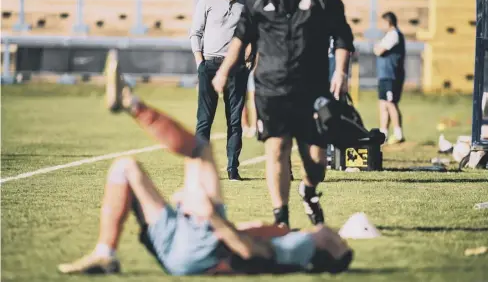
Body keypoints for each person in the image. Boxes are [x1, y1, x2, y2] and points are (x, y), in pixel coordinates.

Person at [57, 53, 354, 276]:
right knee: (125, 168)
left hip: (198, 247)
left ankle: (131, 103)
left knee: (200, 150)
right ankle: (105, 252)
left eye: (340, 243)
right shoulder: (295, 243)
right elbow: (253, 240)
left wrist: (211, 216)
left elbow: (250, 252)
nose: (336, 234)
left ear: (328, 250)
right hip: (183, 250)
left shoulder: (302, 250)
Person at [212, 0, 355, 227]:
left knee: (316, 159)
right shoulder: (260, 0)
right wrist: (223, 71)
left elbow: (343, 37)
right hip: (271, 89)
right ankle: (281, 218)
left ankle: (309, 190)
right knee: (277, 150)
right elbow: (241, 38)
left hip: (311, 90)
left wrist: (341, 71)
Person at [190, 0, 253, 181]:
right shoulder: (207, 0)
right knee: (204, 120)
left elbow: (254, 36)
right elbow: (195, 33)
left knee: (234, 121)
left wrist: (250, 57)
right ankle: (201, 168)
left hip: (236, 69)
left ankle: (232, 168)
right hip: (209, 66)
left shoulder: (247, 4)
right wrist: (200, 62)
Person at [242, 0, 277, 138]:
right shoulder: (258, 2)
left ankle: (262, 123)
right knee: (250, 90)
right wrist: (249, 51)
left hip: (277, 58)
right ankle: (252, 124)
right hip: (258, 55)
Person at [373, 11, 406, 145]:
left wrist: (377, 47)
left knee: (390, 103)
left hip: (392, 75)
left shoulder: (394, 35)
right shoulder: (388, 35)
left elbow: (378, 50)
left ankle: (398, 134)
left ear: (388, 22)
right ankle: (383, 134)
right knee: (383, 104)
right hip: (384, 75)